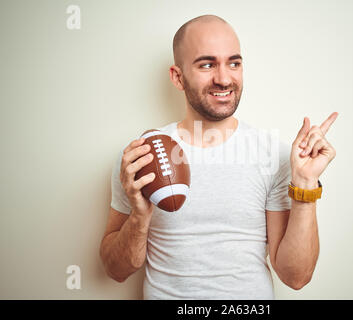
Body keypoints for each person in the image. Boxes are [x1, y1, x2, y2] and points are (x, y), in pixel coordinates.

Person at [99, 14, 338, 299]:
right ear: (177, 77)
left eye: (233, 63)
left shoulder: (275, 155)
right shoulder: (142, 157)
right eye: (207, 64)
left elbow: (295, 277)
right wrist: (139, 216)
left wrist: (305, 185)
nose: (224, 79)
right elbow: (116, 271)